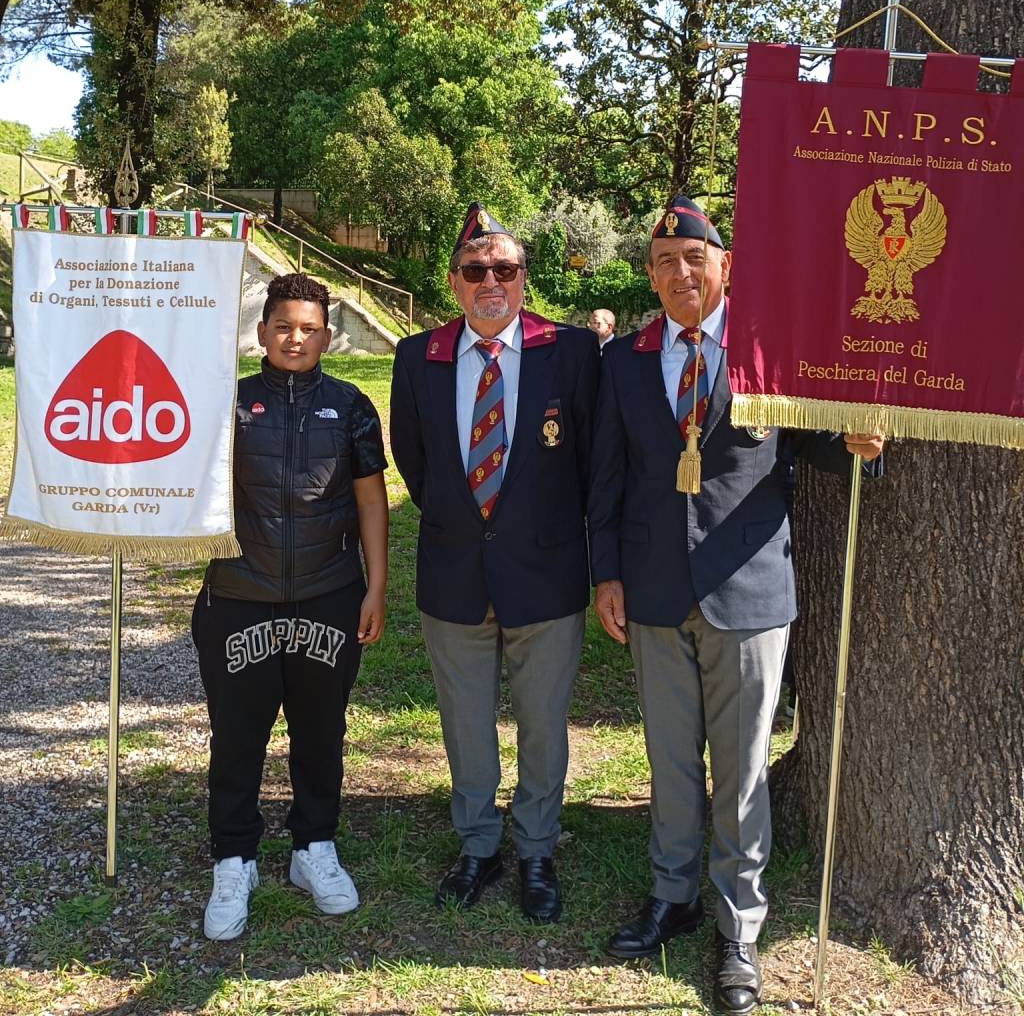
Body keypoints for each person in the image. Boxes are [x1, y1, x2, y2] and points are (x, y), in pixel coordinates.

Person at [588, 195, 882, 1014]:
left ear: (726, 267)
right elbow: (607, 477)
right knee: (671, 759)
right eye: (663, 264)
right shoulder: (628, 358)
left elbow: (815, 440)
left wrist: (860, 441)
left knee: (743, 770)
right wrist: (606, 573)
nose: (679, 274)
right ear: (650, 277)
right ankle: (672, 895)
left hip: (749, 591)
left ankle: (738, 925)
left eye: (693, 259)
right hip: (651, 588)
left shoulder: (768, 348)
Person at [390, 202, 599, 922]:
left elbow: (592, 461)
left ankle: (537, 847)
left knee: (544, 722)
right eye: (476, 270)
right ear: (453, 282)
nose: (490, 281)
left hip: (546, 572)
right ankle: (479, 845)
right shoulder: (418, 358)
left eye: (504, 269)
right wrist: (464, 519)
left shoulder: (569, 353)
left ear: (523, 279)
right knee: (465, 723)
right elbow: (415, 465)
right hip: (454, 572)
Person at [193, 272, 388, 941]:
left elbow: (369, 501)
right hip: (237, 598)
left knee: (320, 733)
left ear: (327, 336)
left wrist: (376, 585)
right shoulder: (227, 402)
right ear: (261, 332)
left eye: (308, 328)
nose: (295, 338)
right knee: (237, 739)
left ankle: (314, 849)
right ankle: (234, 858)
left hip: (326, 594)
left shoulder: (353, 406)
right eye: (283, 327)